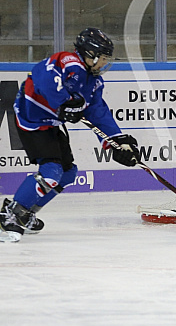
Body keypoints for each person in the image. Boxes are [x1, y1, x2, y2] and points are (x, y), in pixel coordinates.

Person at [0, 28, 139, 243]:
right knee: (51, 172)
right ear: (90, 54)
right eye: (102, 58)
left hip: (53, 124)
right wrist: (63, 101)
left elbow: (98, 112)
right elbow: (42, 76)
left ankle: (26, 213)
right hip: (32, 120)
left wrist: (116, 142)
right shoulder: (68, 62)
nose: (104, 63)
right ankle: (11, 212)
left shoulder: (94, 82)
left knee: (67, 174)